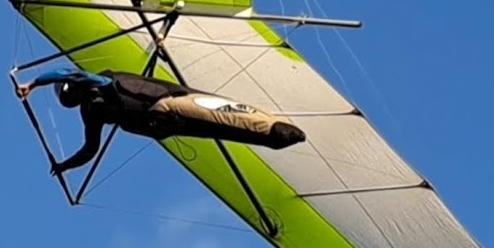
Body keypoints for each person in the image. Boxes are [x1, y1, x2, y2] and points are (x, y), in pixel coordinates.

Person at [15, 65, 306, 176]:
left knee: (217, 115)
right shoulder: (90, 112)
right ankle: (277, 136)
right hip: (162, 124)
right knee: (213, 127)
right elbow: (90, 149)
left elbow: (71, 74)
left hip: (166, 103)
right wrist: (64, 165)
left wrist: (33, 83)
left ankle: (276, 130)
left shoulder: (101, 82)